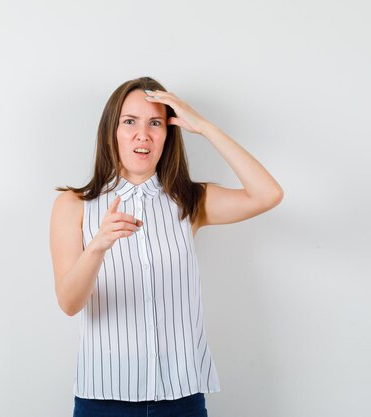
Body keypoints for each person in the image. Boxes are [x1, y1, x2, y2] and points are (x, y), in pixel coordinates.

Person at [49, 76, 283, 417]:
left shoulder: (188, 200)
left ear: (168, 133)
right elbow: (69, 303)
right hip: (103, 400)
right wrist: (98, 246)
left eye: (155, 123)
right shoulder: (74, 205)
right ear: (111, 131)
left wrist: (203, 126)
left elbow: (268, 194)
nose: (142, 135)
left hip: (182, 399)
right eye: (129, 122)